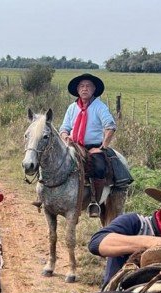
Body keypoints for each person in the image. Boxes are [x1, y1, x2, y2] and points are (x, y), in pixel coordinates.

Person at [46, 73, 117, 217]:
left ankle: (94, 202)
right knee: (51, 160)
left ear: (93, 90)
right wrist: (66, 136)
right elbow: (64, 128)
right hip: (73, 144)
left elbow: (110, 126)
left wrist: (103, 147)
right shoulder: (72, 107)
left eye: (88, 86)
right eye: (82, 86)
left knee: (99, 167)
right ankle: (46, 196)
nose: (85, 89)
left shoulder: (99, 107)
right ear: (78, 90)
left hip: (93, 146)